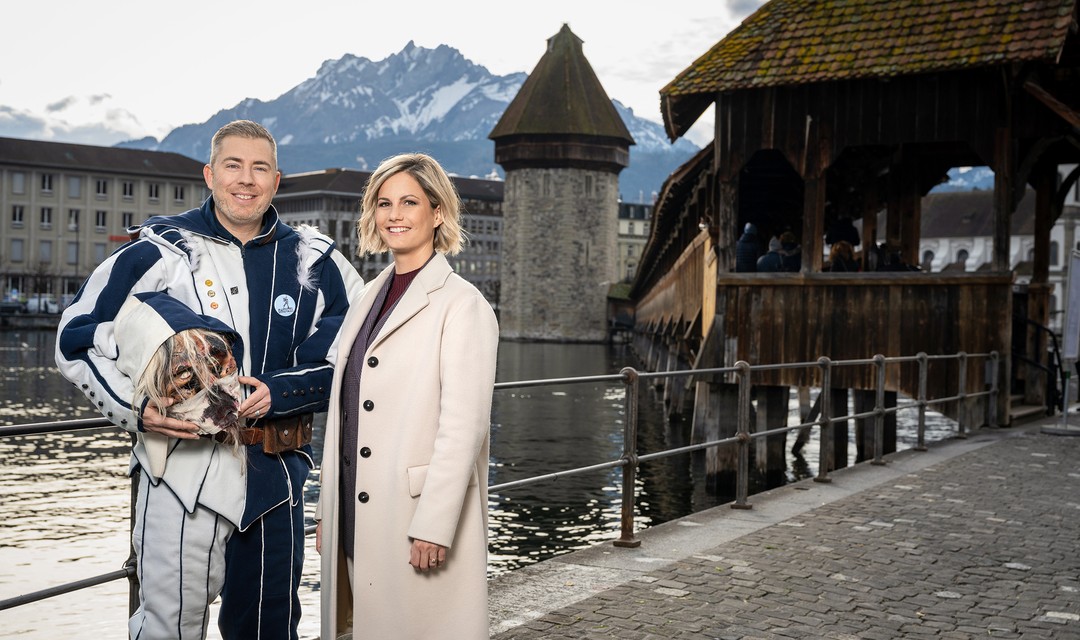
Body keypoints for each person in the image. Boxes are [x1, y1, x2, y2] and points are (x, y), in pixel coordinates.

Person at [55, 119, 363, 640]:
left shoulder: (318, 261)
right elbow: (75, 338)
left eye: (259, 167)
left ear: (277, 179)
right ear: (210, 175)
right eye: (233, 165)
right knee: (168, 629)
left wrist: (282, 391)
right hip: (180, 475)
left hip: (277, 475)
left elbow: (355, 352)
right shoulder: (159, 251)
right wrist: (134, 409)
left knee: (269, 630)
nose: (246, 179)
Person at [315, 153, 499, 640]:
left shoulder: (463, 305)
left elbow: (463, 427)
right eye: (384, 203)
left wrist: (435, 524)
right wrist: (327, 513)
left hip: (414, 517)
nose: (394, 214)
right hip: (357, 514)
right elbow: (347, 414)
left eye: (409, 202)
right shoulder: (367, 296)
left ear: (438, 213)